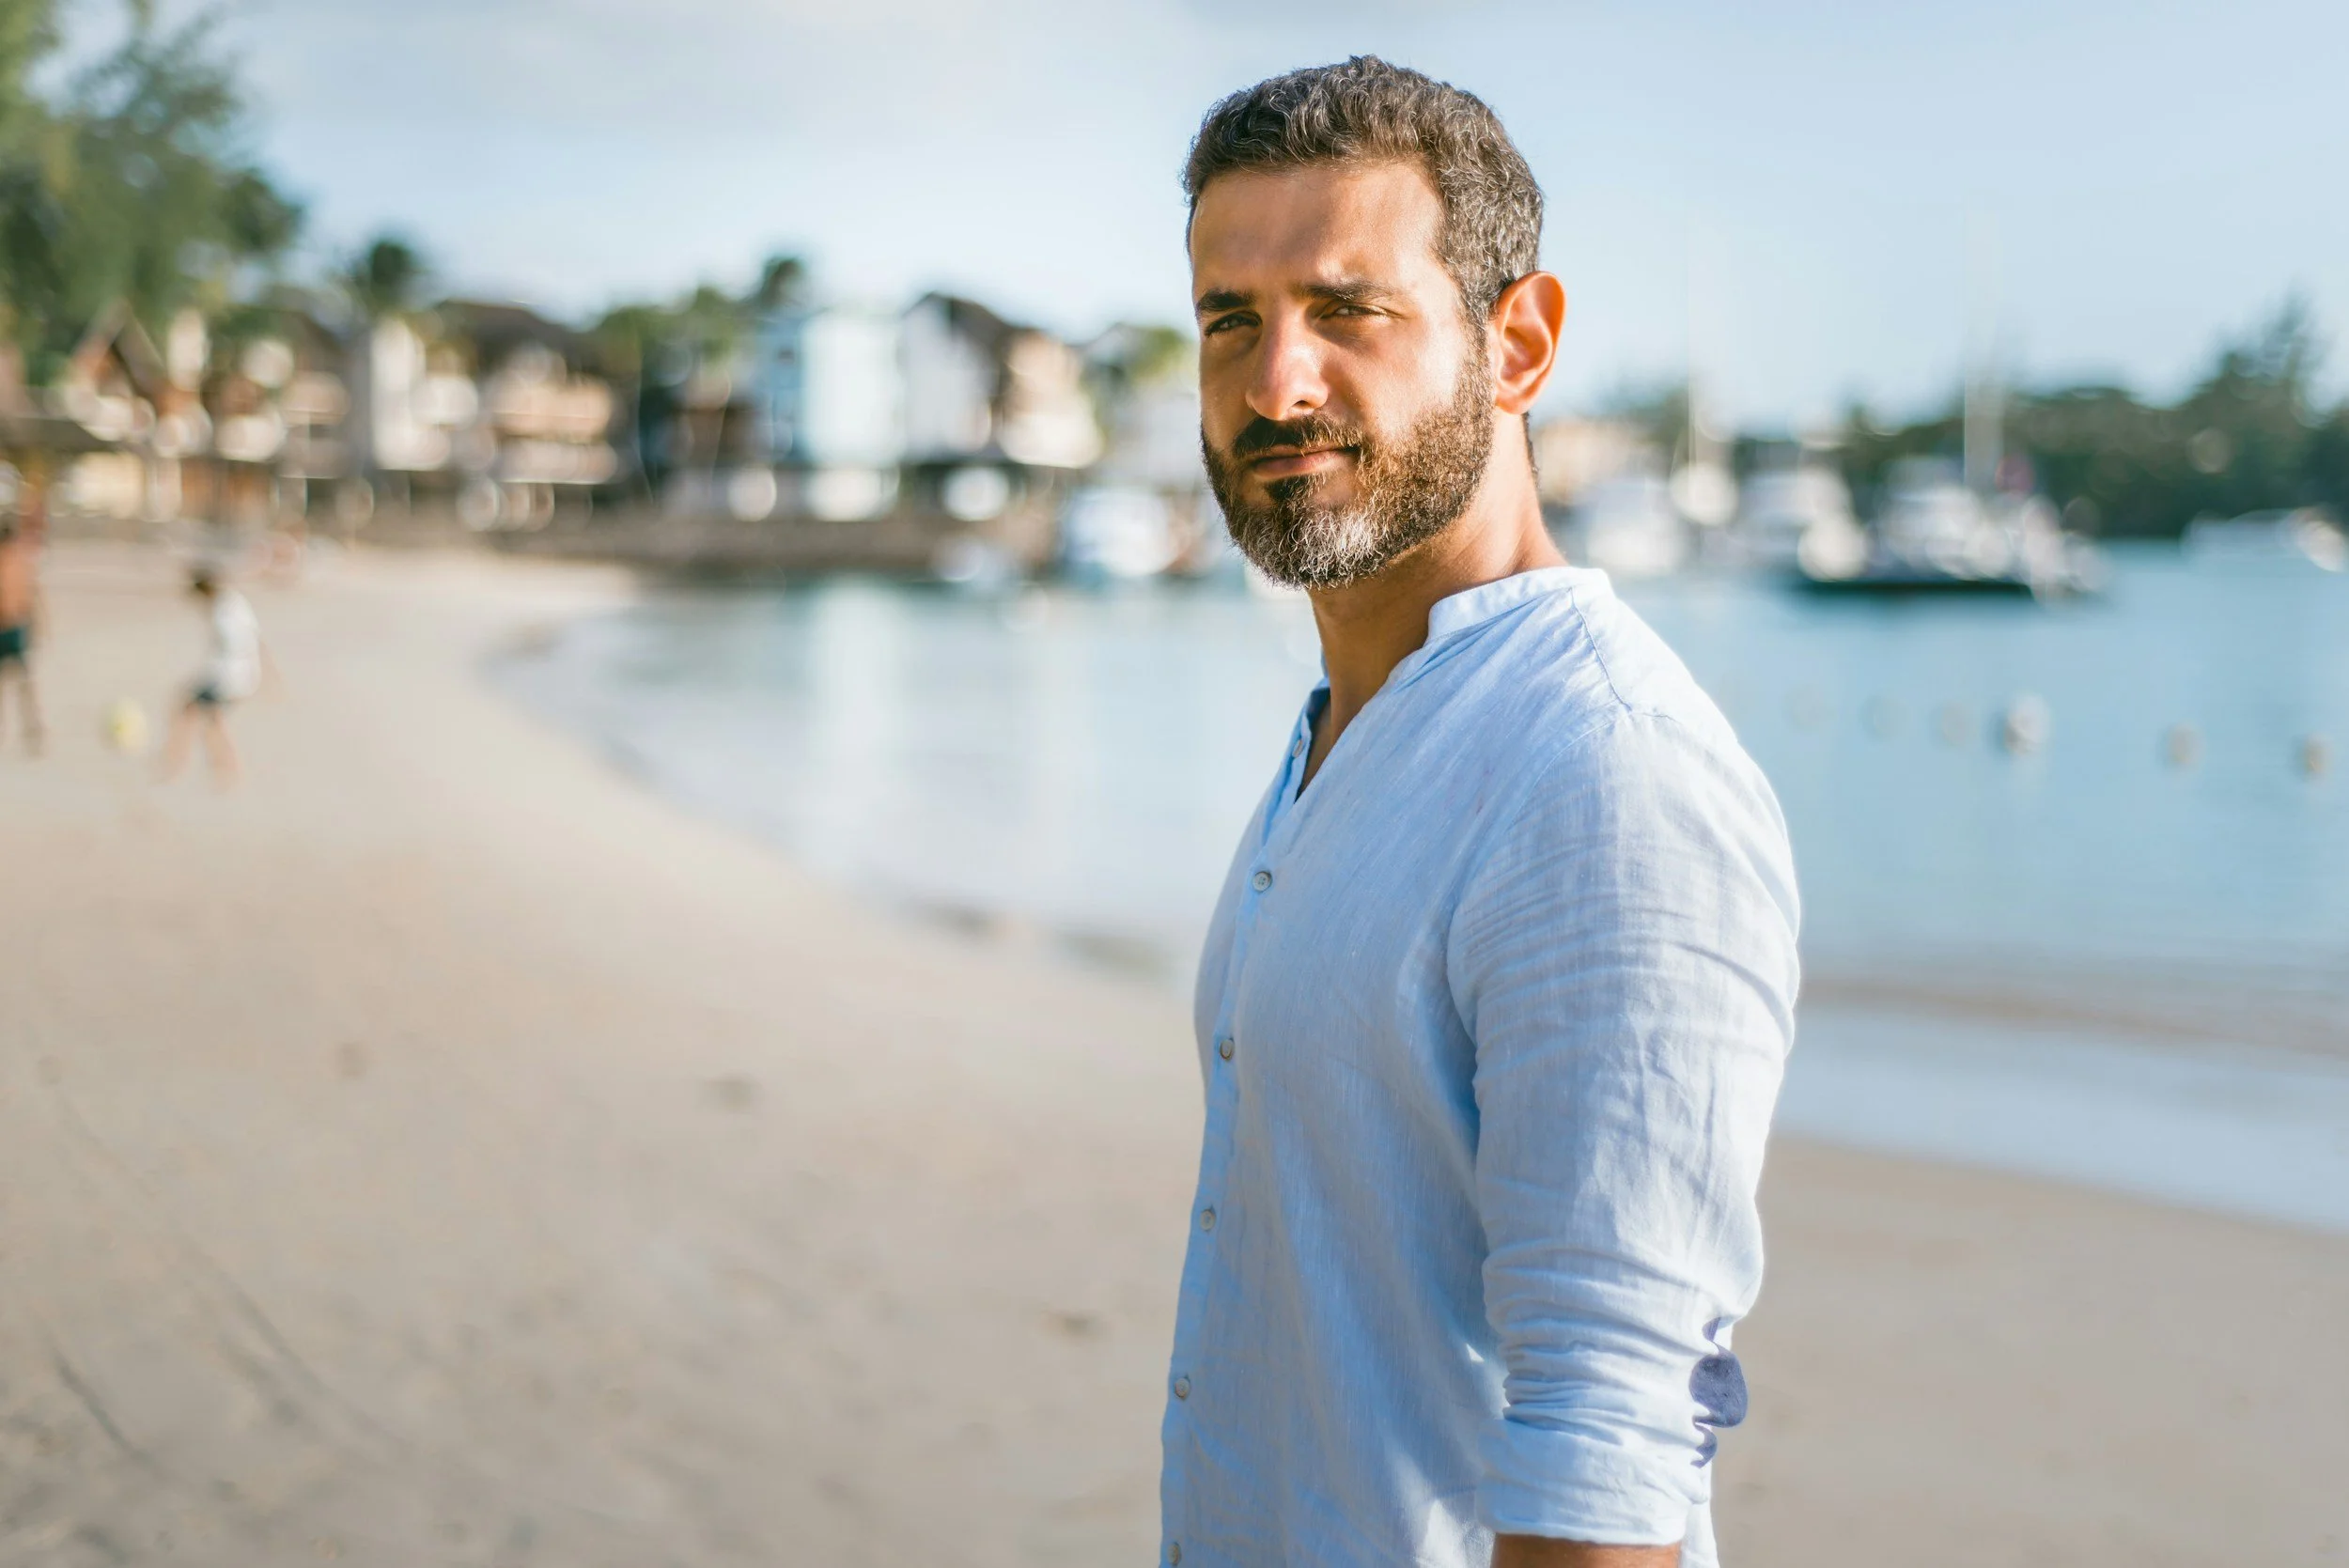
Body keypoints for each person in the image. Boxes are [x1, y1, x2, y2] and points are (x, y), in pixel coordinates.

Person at [1160, 58, 1799, 1568]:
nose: (1275, 384)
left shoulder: (1603, 774)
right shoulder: (1353, 728)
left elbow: (1616, 1448)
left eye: (1348, 310)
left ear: (1516, 344)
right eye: (1228, 321)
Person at [159, 566, 268, 787]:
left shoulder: (221, 611)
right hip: (245, 674)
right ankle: (224, 768)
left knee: (189, 711)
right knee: (213, 722)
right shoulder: (235, 602)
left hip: (228, 676)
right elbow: (256, 640)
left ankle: (177, 761)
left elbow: (227, 651)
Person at [0, 515, 44, 755]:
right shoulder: (20, 560)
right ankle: (32, 729)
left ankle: (32, 729)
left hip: (10, 628)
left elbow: (30, 594)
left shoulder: (15, 561)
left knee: (21, 684)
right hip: (15, 628)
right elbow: (32, 594)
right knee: (23, 684)